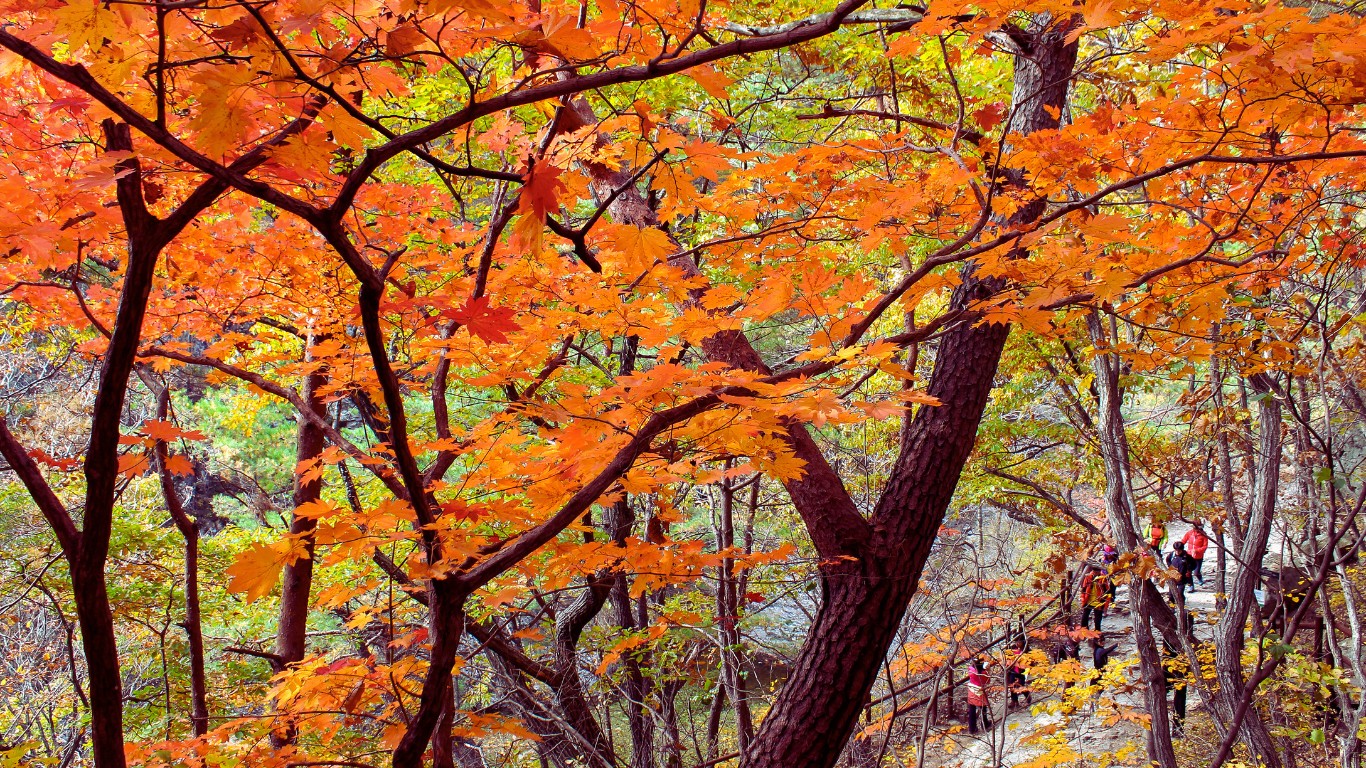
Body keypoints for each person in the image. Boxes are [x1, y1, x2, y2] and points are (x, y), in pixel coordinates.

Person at [1162, 640, 1188, 736]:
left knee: (1180, 692)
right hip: (1173, 658)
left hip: (1177, 658)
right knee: (1179, 692)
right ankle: (1177, 730)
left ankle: (1177, 730)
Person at [1079, 565, 1112, 631]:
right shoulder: (1088, 577)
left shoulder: (1103, 578)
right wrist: (1083, 599)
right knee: (1084, 617)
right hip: (1088, 600)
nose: (1095, 573)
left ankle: (1097, 633)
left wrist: (1106, 604)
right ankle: (1084, 631)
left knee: (1098, 619)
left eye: (1097, 572)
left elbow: (1107, 591)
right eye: (1094, 571)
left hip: (1099, 601)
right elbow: (1084, 589)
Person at [966, 657, 992, 734]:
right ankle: (985, 723)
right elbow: (987, 681)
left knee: (972, 709)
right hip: (979, 691)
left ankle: (972, 728)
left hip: (971, 690)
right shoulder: (983, 673)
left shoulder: (970, 670)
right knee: (983, 708)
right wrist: (988, 671)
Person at [1006, 637, 1032, 708]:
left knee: (1021, 685)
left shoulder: (1026, 651)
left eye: (1019, 642)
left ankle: (1028, 696)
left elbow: (1031, 662)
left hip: (1021, 672)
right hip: (1012, 670)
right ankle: (1014, 701)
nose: (1017, 644)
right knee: (1012, 686)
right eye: (1016, 642)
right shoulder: (1012, 648)